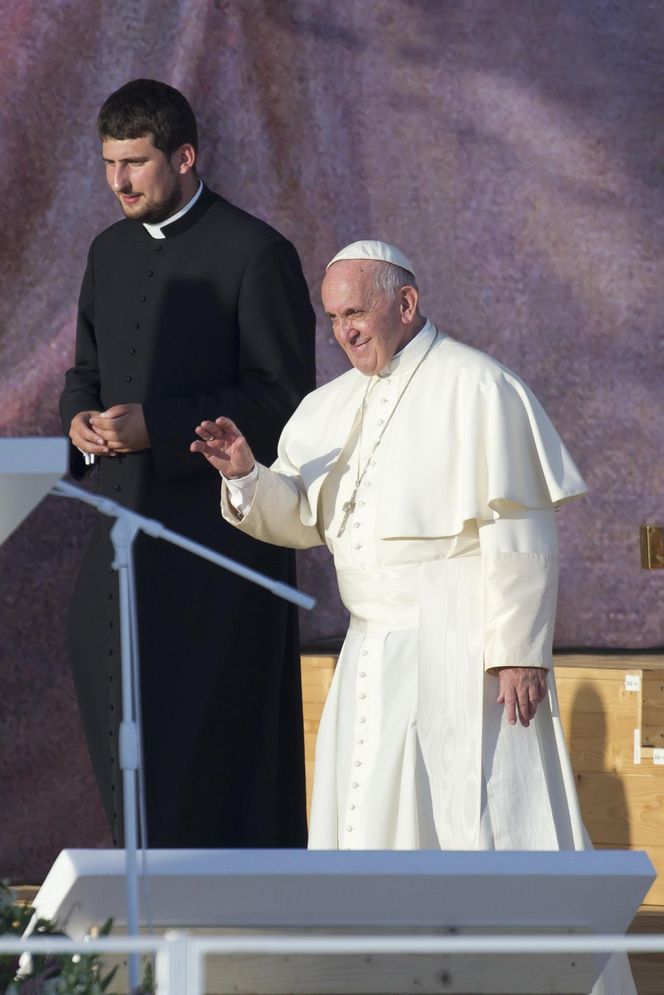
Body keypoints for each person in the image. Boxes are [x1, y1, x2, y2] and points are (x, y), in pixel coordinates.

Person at [193, 240, 637, 994]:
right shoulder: (325, 408)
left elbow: (521, 528)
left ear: (405, 303)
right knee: (371, 819)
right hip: (372, 650)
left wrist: (519, 650)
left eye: (356, 313)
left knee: (483, 819)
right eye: (332, 319)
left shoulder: (478, 386)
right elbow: (301, 517)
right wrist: (246, 477)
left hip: (464, 643)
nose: (344, 333)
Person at [59, 78, 316, 849]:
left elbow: (284, 399)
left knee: (203, 751)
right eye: (108, 163)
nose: (119, 182)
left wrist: (160, 429)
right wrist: (79, 420)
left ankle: (206, 914)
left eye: (135, 162)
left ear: (185, 155)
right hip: (124, 537)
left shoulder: (257, 253)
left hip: (220, 554)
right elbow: (86, 371)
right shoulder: (107, 251)